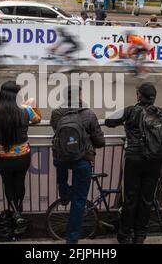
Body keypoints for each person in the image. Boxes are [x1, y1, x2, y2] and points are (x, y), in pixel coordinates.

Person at [105, 83, 162, 244]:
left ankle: (125, 235)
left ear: (139, 96)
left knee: (130, 199)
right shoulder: (161, 112)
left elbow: (109, 121)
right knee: (146, 199)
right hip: (155, 160)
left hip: (134, 159)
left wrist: (125, 123)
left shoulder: (131, 110)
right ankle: (140, 235)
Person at [51, 85, 105, 244]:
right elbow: (100, 141)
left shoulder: (56, 113)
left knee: (62, 179)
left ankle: (64, 192)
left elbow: (58, 132)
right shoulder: (89, 114)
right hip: (82, 160)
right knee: (79, 201)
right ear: (79, 96)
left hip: (61, 157)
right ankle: (71, 239)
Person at [0, 81, 42, 234]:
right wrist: (31, 104)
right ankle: (18, 213)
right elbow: (38, 118)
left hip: (3, 157)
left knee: (8, 184)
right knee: (20, 182)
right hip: (22, 156)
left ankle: (17, 214)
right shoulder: (25, 110)